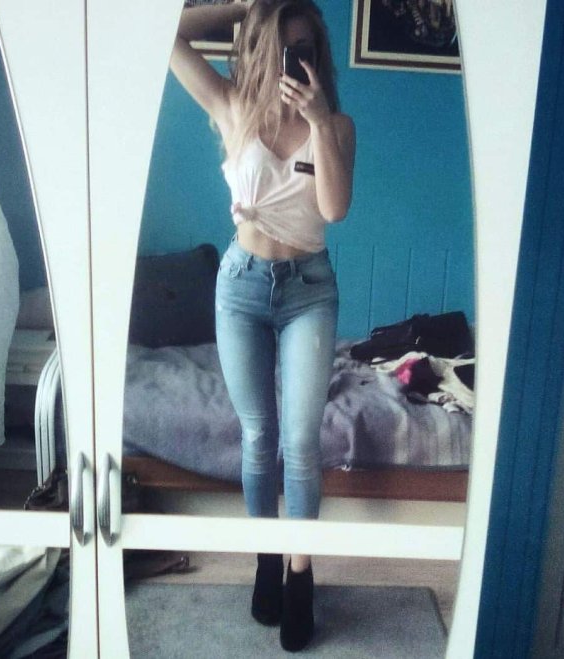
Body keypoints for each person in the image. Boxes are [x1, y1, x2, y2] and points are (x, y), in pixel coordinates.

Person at [170, 0, 355, 651]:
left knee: (300, 441)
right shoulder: (231, 108)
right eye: (282, 48)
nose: (294, 61)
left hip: (309, 291)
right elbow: (163, 33)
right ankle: (266, 559)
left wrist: (318, 121)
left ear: (319, 54)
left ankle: (300, 576)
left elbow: (333, 208)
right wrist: (243, 7)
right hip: (241, 288)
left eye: (305, 49)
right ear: (258, 50)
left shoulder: (337, 126)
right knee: (257, 435)